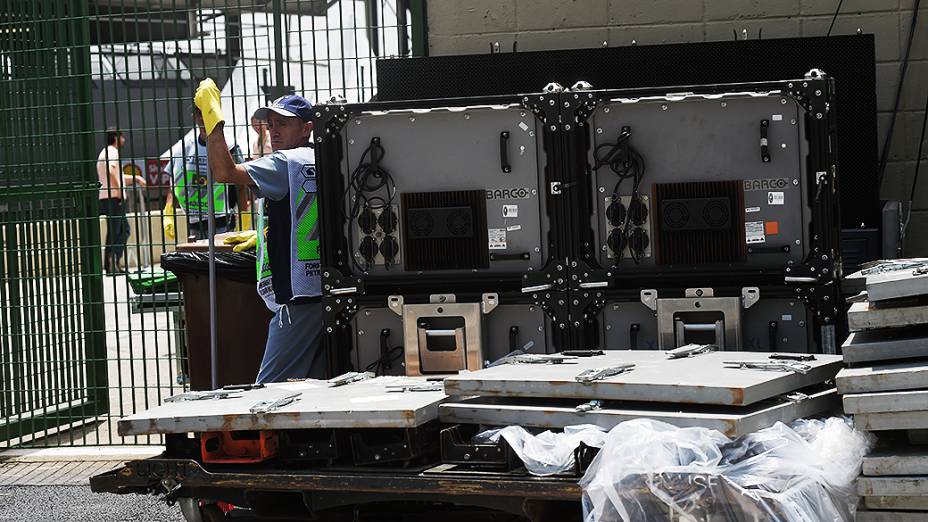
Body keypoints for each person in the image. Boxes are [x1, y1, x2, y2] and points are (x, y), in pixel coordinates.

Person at [193, 79, 324, 383]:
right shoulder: (320, 157)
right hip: (323, 291)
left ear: (307, 128)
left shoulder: (285, 162)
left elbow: (225, 172)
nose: (274, 130)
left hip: (297, 298)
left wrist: (213, 124)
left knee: (269, 392)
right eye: (271, 124)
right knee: (316, 386)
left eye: (284, 124)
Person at [163, 108, 244, 241]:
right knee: (199, 260)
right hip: (195, 222)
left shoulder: (229, 145)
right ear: (194, 116)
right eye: (199, 113)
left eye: (208, 112)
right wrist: (168, 211)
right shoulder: (183, 147)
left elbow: (241, 184)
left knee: (220, 260)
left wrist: (244, 214)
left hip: (223, 221)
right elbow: (175, 183)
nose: (203, 117)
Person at [97, 127, 146, 274]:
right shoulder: (112, 151)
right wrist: (119, 191)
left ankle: (112, 263)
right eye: (122, 137)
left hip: (109, 197)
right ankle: (113, 261)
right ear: (116, 138)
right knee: (120, 231)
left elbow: (117, 175)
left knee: (118, 231)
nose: (124, 140)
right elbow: (111, 171)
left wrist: (136, 178)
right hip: (114, 197)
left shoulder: (105, 152)